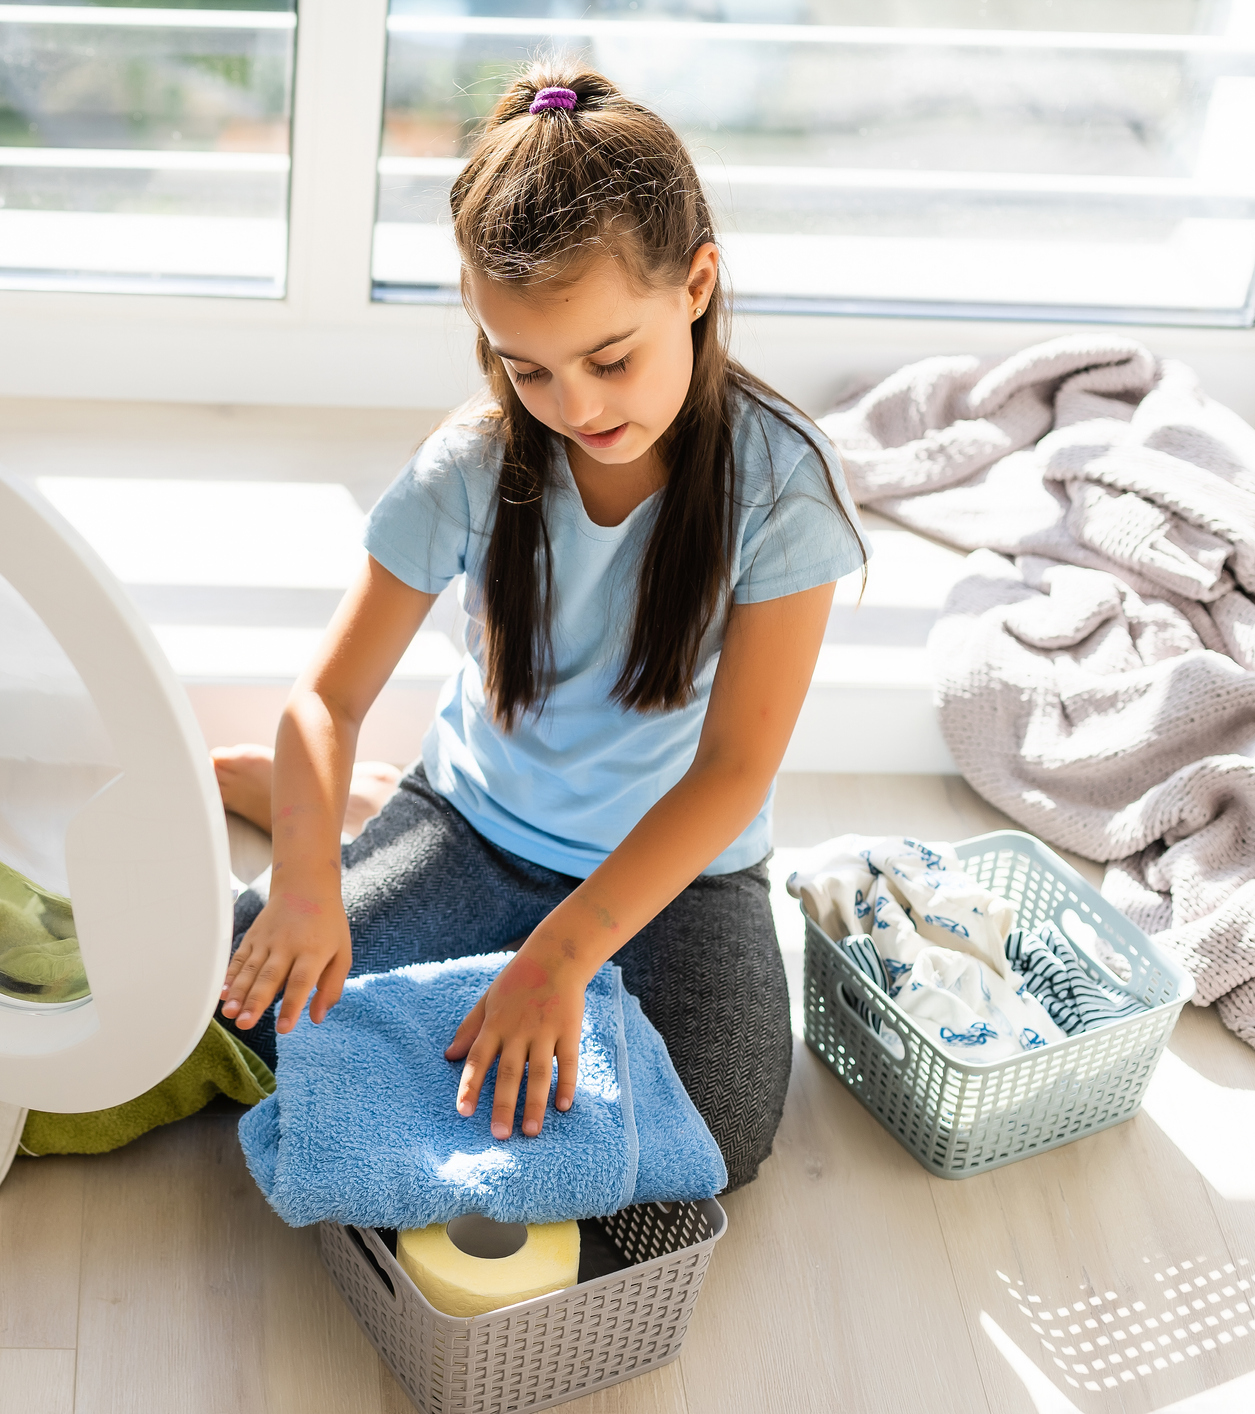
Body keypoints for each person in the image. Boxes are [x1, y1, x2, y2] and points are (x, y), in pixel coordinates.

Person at [210, 64, 868, 1190]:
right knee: (239, 1015)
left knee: (721, 1122)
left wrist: (562, 953)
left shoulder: (780, 486)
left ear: (696, 284)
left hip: (679, 872)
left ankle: (368, 826)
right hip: (475, 823)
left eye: (611, 359)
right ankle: (352, 821)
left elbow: (734, 770)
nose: (575, 407)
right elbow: (325, 696)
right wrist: (311, 887)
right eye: (527, 370)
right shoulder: (472, 462)